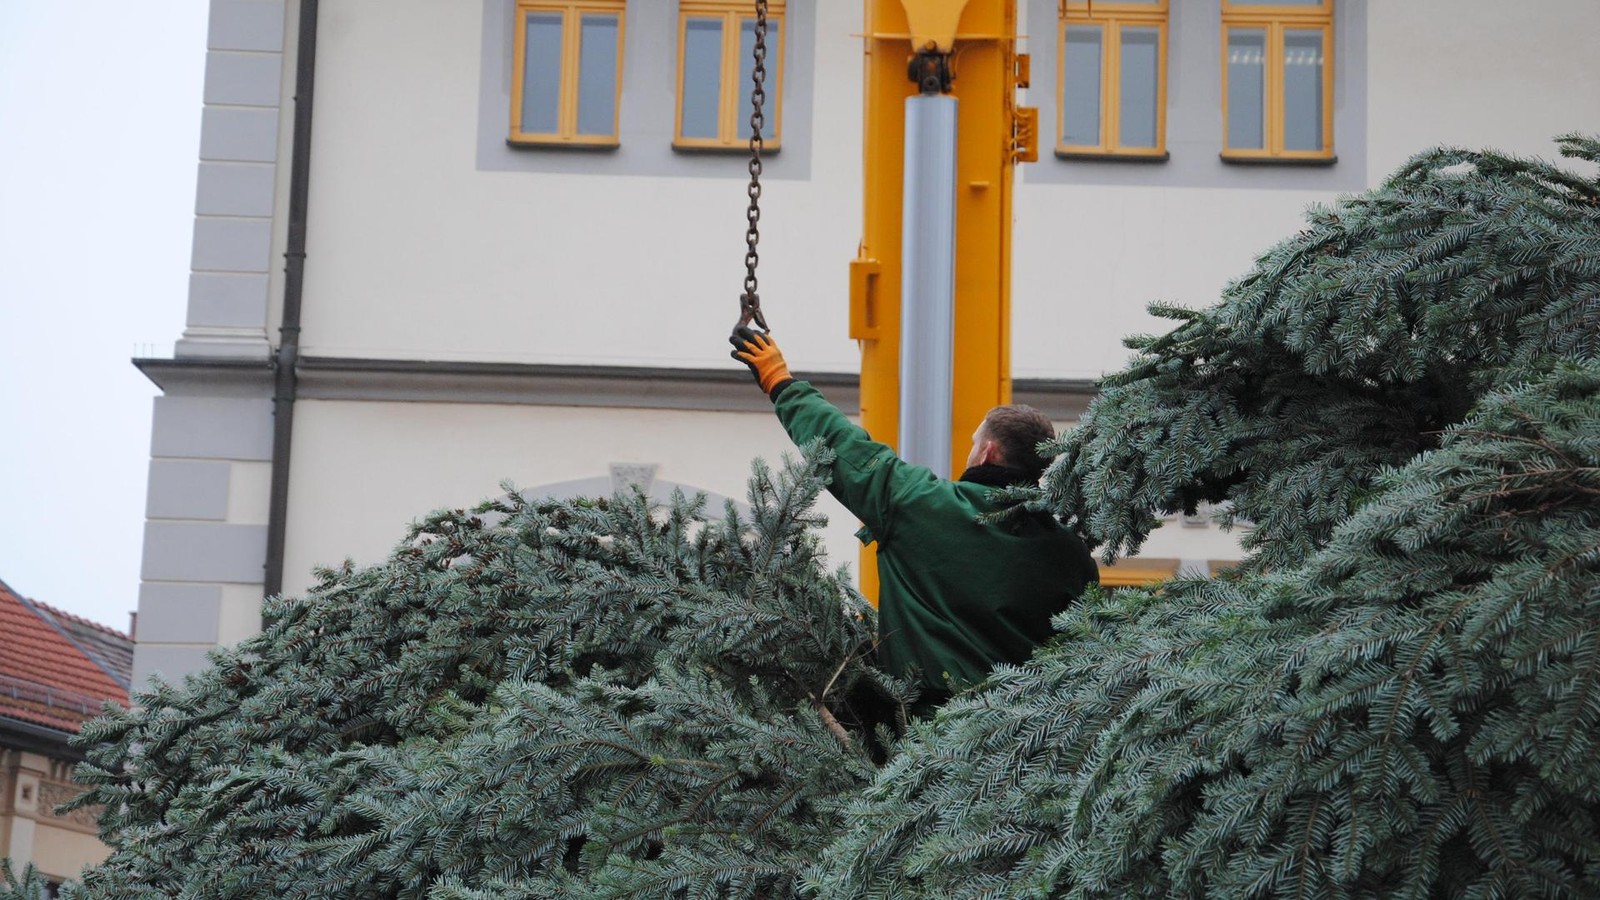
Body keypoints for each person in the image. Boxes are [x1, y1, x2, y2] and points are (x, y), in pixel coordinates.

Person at [731, 327, 1098, 712]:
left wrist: (778, 380)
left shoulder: (919, 504)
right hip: (1021, 735)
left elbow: (843, 446)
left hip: (922, 731)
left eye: (974, 443)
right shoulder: (1071, 555)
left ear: (987, 453)